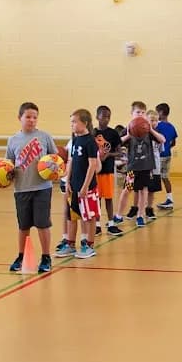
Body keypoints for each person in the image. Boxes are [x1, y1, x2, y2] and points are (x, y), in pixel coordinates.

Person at [7, 102, 57, 273]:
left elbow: (55, 158)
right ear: (19, 118)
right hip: (21, 188)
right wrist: (5, 175)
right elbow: (8, 165)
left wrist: (54, 168)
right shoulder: (12, 140)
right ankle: (21, 256)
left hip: (42, 187)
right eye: (28, 117)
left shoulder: (44, 137)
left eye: (35, 117)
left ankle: (46, 257)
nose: (31, 120)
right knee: (23, 226)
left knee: (43, 224)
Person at [58, 109, 101, 260]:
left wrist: (85, 186)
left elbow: (92, 165)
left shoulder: (90, 141)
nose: (72, 125)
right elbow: (71, 162)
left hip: (86, 188)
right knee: (72, 216)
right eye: (71, 122)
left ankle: (89, 245)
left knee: (88, 217)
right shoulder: (75, 140)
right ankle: (70, 244)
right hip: (74, 186)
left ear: (85, 123)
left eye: (75, 122)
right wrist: (67, 181)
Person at [93, 105, 124, 236]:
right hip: (95, 171)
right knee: (96, 199)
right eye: (104, 116)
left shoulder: (113, 133)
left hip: (108, 171)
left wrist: (108, 155)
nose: (106, 119)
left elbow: (120, 153)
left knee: (108, 198)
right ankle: (97, 225)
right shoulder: (92, 133)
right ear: (97, 117)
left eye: (108, 117)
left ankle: (111, 224)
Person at [155, 103, 178, 209]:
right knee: (165, 177)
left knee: (152, 177)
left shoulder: (157, 126)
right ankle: (170, 199)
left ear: (161, 113)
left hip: (159, 155)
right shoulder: (171, 127)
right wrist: (167, 148)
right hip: (168, 154)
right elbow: (173, 142)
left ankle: (146, 202)